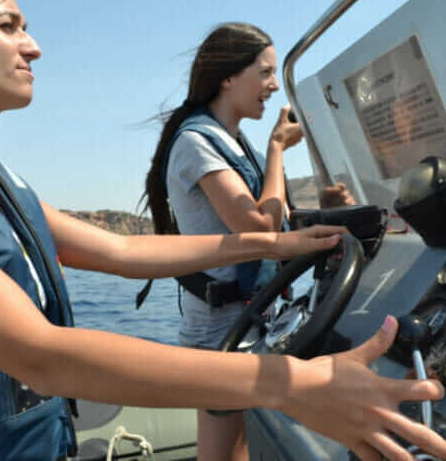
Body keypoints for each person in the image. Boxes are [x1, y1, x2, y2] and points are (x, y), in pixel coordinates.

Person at [0, 0, 446, 461]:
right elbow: (39, 355)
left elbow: (121, 253)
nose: (33, 46)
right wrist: (288, 381)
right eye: (8, 26)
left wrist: (269, 247)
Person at [141, 23, 355, 461]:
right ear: (228, 76)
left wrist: (324, 206)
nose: (274, 86)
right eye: (265, 73)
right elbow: (258, 231)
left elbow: (276, 224)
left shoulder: (235, 145)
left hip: (254, 314)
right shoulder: (196, 143)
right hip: (220, 326)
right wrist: (278, 149)